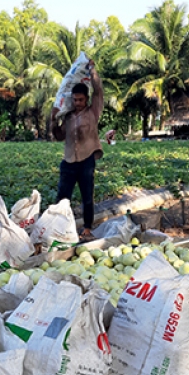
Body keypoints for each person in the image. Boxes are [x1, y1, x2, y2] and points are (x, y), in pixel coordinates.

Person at [50, 59, 104, 242]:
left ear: (86, 99)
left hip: (87, 159)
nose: (78, 103)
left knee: (87, 196)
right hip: (69, 161)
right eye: (75, 100)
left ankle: (87, 227)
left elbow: (98, 91)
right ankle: (58, 227)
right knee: (62, 197)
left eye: (81, 100)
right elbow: (59, 136)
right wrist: (52, 123)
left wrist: (92, 70)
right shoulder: (68, 116)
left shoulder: (93, 112)